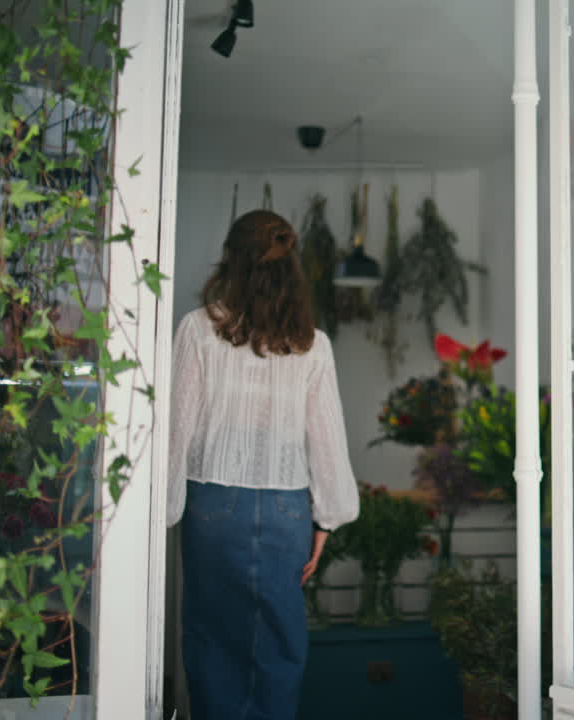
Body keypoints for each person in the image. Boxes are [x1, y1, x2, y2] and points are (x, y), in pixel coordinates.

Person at [167, 209, 359, 720]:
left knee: (211, 637)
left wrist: (162, 511)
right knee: (280, 642)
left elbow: (175, 430)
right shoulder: (313, 344)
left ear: (231, 261)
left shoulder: (197, 329)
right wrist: (327, 518)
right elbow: (327, 441)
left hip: (211, 508)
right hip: (286, 510)